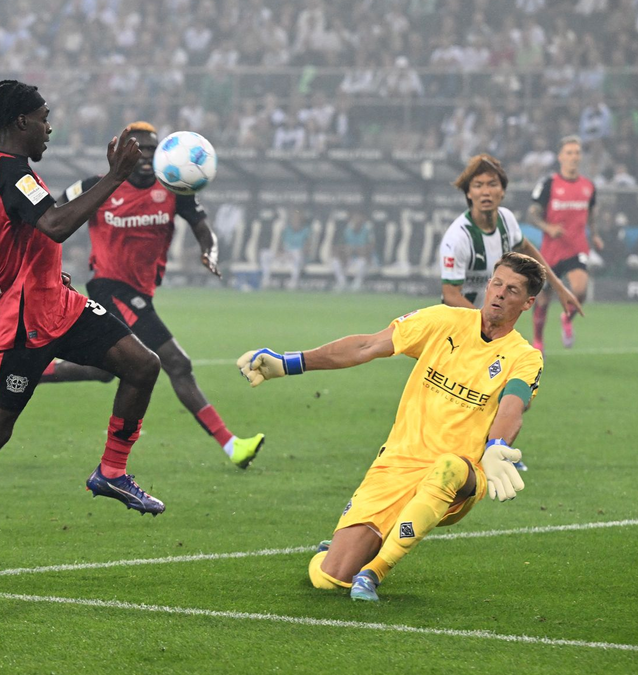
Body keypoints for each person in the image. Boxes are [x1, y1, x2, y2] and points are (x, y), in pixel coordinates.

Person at [0, 81, 162, 588]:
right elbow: (58, 224)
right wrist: (115, 177)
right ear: (21, 122)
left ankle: (111, 471)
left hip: (57, 304)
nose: (49, 127)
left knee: (142, 364)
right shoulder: (12, 171)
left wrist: (14, 263)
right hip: (23, 322)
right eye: (44, 118)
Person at [237, 251, 546, 602]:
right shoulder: (442, 320)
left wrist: (495, 447)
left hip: (463, 472)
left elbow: (513, 405)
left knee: (448, 468)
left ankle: (373, 572)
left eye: (513, 290)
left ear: (527, 303)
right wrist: (291, 363)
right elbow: (367, 346)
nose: (501, 294)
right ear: (489, 284)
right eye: (497, 283)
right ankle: (355, 547)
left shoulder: (525, 357)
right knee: (329, 578)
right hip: (398, 463)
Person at [38, 121, 265, 469]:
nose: (144, 155)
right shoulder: (95, 187)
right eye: (137, 148)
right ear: (122, 151)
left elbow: (204, 230)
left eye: (151, 149)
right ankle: (231, 445)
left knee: (104, 371)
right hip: (108, 287)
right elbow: (51, 217)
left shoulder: (174, 188)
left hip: (140, 291)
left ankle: (31, 369)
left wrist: (210, 251)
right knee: (177, 363)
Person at [440, 153, 581, 325]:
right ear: (469, 193)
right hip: (461, 326)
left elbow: (526, 248)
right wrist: (484, 322)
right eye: (478, 185)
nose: (486, 192)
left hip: (491, 325)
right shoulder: (458, 237)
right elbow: (450, 295)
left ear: (502, 191)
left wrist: (558, 287)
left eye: (492, 184)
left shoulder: (506, 219)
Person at [527, 136, 601, 351]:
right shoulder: (548, 184)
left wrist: (595, 235)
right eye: (569, 153)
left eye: (577, 152)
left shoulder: (588, 186)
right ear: (560, 157)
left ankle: (567, 319)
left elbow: (591, 215)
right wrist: (548, 228)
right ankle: (538, 341)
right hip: (550, 252)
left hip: (576, 248)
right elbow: (532, 214)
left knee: (580, 290)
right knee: (542, 299)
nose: (573, 157)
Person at [259, 208, 310, 290]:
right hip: (286, 254)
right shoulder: (287, 230)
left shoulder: (306, 230)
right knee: (265, 253)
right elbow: (281, 244)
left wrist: (295, 253)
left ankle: (294, 282)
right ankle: (266, 279)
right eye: (294, 218)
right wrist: (280, 252)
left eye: (297, 218)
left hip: (298, 257)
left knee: (297, 254)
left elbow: (307, 247)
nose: (295, 220)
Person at [332, 210, 374, 292]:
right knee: (335, 261)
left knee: (363, 262)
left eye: (359, 220)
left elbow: (369, 249)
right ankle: (342, 283)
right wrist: (344, 253)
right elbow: (339, 247)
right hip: (349, 259)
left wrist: (355, 250)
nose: (357, 222)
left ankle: (357, 284)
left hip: (362, 259)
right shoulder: (347, 231)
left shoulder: (367, 231)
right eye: (355, 219)